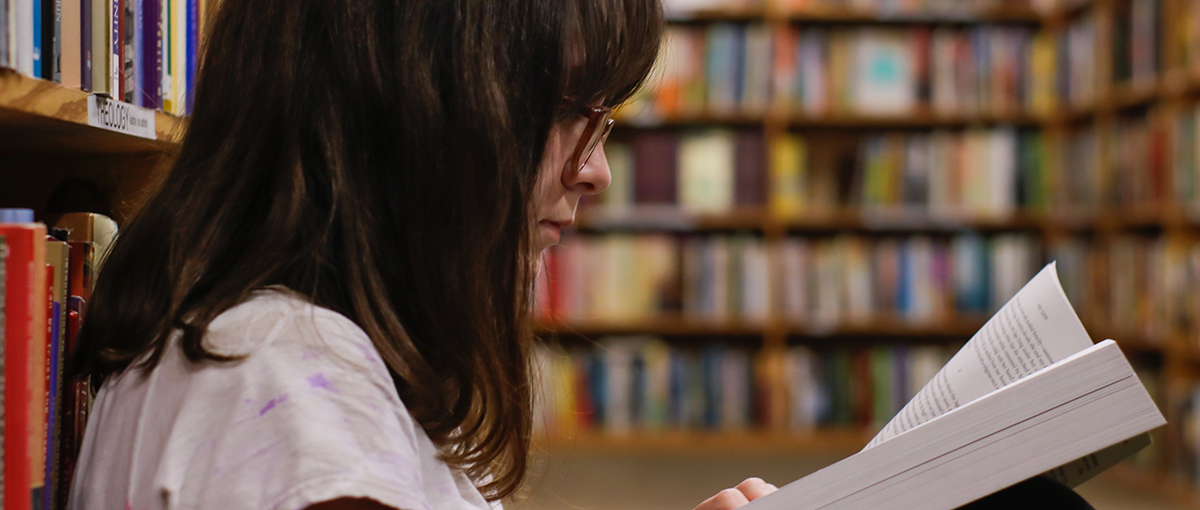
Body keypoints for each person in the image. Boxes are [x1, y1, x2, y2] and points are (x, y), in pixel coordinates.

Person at [65, 0, 781, 509]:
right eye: (569, 110)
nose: (597, 172)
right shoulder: (285, 381)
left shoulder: (272, 351)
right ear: (415, 106)